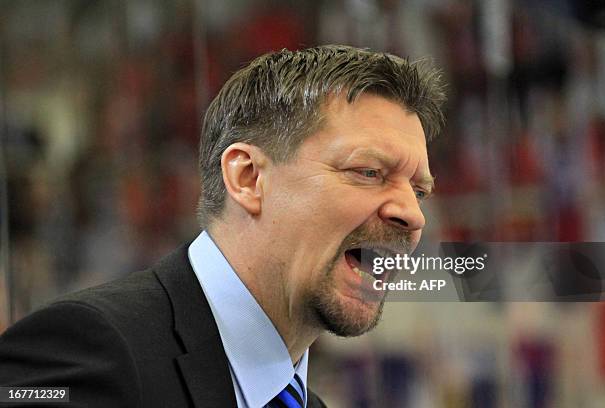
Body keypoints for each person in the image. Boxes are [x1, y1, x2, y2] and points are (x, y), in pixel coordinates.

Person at [0, 45, 445, 408]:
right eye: (368, 172)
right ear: (248, 178)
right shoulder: (92, 350)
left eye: (419, 190)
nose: (414, 214)